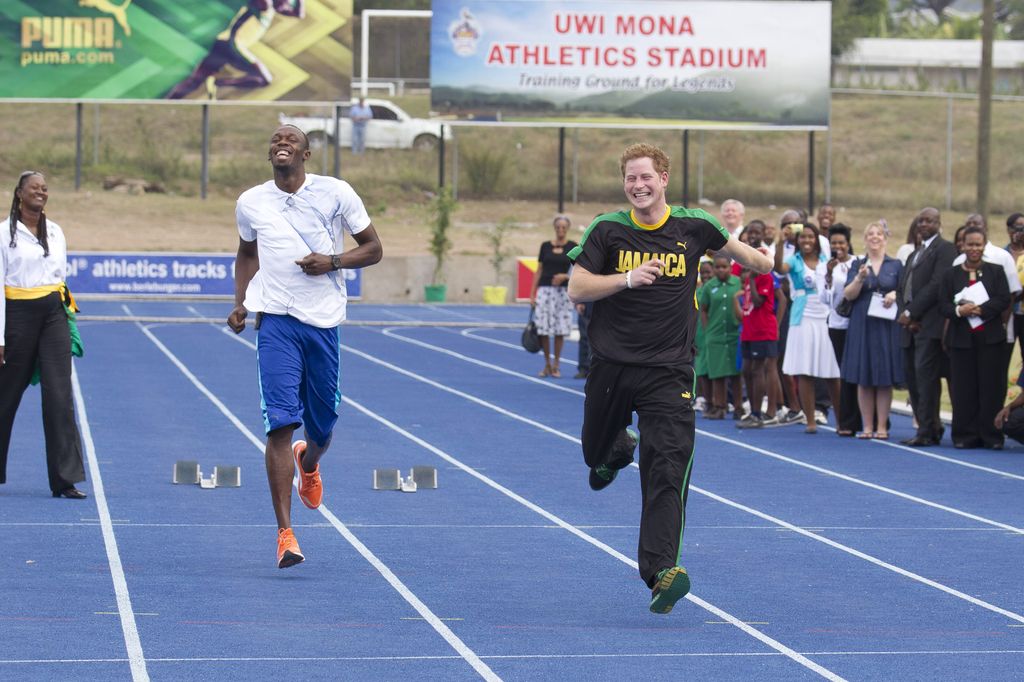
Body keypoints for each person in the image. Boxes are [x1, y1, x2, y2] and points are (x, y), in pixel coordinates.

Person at [567, 142, 772, 614]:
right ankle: (615, 449)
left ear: (664, 178)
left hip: (670, 370)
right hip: (613, 365)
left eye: (646, 177)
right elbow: (578, 287)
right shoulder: (608, 230)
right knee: (593, 452)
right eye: (630, 178)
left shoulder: (693, 226)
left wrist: (764, 261)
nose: (638, 186)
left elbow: (745, 255)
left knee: (668, 467)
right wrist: (626, 278)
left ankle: (661, 572)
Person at [228, 124, 383, 568]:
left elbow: (373, 249)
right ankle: (285, 533)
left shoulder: (335, 193)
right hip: (274, 321)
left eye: (290, 140)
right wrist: (240, 302)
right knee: (279, 425)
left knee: (321, 429)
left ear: (306, 154)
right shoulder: (251, 201)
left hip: (324, 322)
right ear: (269, 153)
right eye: (275, 138)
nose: (281, 143)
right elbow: (246, 252)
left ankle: (309, 464)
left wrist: (331, 262)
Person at [0, 171, 87, 499]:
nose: (41, 191)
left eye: (45, 188)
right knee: (5, 396)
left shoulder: (55, 231)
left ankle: (64, 480)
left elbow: (59, 277)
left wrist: (66, 318)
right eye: (34, 187)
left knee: (59, 397)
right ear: (20, 193)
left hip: (53, 315)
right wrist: (0, 337)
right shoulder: (3, 234)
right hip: (17, 316)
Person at [938, 226, 1011, 449]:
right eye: (970, 244)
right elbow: (943, 305)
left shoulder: (996, 271)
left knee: (991, 388)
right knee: (964, 389)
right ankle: (964, 436)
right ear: (962, 245)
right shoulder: (950, 274)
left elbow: (1004, 298)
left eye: (978, 244)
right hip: (961, 340)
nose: (974, 249)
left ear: (984, 246)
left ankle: (991, 436)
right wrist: (961, 311)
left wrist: (982, 310)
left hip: (990, 340)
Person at [896, 207, 958, 446]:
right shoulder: (915, 253)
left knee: (926, 380)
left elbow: (935, 285)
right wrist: (904, 312)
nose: (923, 224)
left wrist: (912, 312)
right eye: (920, 220)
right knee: (912, 379)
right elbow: (903, 287)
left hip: (928, 325)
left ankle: (927, 431)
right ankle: (929, 425)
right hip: (908, 327)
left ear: (938, 223)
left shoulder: (945, 249)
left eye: (929, 221)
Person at [774, 223, 841, 434]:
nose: (807, 241)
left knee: (832, 371)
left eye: (811, 237)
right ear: (797, 240)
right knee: (805, 371)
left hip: (826, 317)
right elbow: (778, 268)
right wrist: (779, 241)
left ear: (817, 239)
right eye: (803, 237)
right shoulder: (794, 261)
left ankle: (842, 420)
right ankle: (810, 420)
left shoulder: (825, 261)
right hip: (802, 318)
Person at [165, 0, 305, 100]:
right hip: (233, 45)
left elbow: (299, 14)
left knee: (195, 80)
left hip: (222, 43)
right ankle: (217, 83)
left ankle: (166, 102)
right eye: (285, 1)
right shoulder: (265, 4)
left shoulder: (273, 9)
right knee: (264, 78)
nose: (286, 5)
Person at [842, 222, 904, 439]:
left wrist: (895, 294)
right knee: (864, 375)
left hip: (886, 324)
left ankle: (882, 427)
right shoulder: (857, 264)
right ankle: (867, 426)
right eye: (870, 234)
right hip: (863, 322)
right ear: (865, 239)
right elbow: (848, 295)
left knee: (884, 376)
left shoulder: (896, 265)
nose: (875, 237)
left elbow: (905, 291)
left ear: (886, 238)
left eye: (879, 234)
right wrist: (859, 277)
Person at [819, 224, 862, 436]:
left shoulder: (858, 263)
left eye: (841, 243)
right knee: (843, 372)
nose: (838, 247)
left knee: (857, 370)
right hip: (837, 324)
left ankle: (862, 418)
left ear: (848, 244)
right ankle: (846, 420)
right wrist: (828, 274)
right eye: (834, 243)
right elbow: (824, 299)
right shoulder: (825, 267)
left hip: (856, 324)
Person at [529, 215, 577, 378]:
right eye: (558, 227)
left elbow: (578, 271)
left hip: (563, 293)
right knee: (543, 328)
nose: (561, 230)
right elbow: (539, 270)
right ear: (554, 228)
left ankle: (557, 364)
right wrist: (532, 293)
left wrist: (565, 276)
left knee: (559, 330)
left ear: (567, 228)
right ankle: (547, 364)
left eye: (564, 227)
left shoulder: (573, 246)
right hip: (544, 291)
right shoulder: (545, 246)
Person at [698, 255, 742, 420]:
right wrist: (707, 328)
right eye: (718, 267)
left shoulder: (737, 282)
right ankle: (719, 406)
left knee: (736, 372)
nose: (721, 270)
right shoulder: (709, 286)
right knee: (717, 374)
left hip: (734, 333)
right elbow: (703, 309)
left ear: (730, 267)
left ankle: (738, 407)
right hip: (715, 335)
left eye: (724, 267)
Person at [574, 301, 592, 379]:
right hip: (587, 304)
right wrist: (579, 302)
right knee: (584, 338)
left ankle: (593, 369)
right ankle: (584, 368)